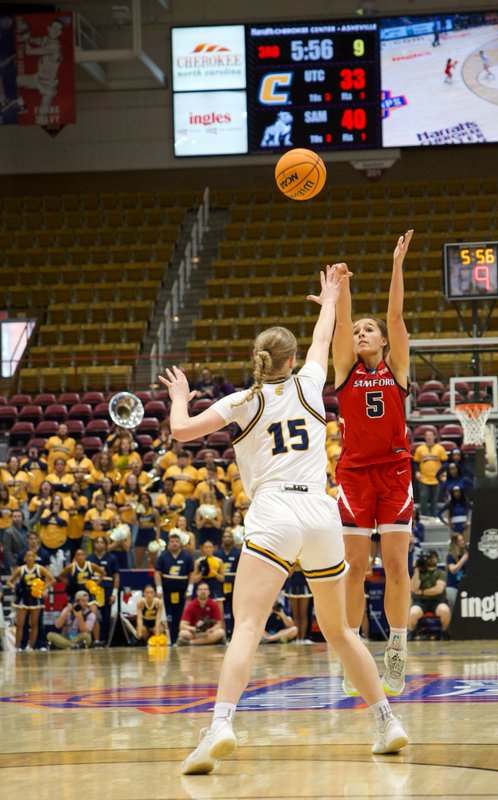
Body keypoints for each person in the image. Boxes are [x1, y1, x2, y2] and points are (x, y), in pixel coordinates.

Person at [160, 263, 407, 774]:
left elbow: (181, 432)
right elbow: (323, 338)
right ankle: (387, 720)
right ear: (292, 359)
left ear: (257, 359)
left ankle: (222, 724)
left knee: (247, 625)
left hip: (274, 512)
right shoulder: (310, 382)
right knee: (340, 632)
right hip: (321, 514)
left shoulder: (240, 401)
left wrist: (179, 399)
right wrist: (333, 295)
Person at [331, 231, 418, 697]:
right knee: (355, 568)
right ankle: (354, 655)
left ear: (383, 341)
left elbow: (396, 315)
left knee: (398, 565)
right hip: (354, 476)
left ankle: (397, 652)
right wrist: (342, 286)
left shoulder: (396, 369)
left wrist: (396, 265)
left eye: (370, 330)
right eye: (359, 329)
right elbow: (341, 327)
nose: (362, 332)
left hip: (396, 472)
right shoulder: (345, 370)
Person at [7, 548, 54, 651]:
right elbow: (9, 582)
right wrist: (15, 587)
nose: (30, 558)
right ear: (24, 558)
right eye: (28, 556)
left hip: (35, 597)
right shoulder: (20, 569)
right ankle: (17, 646)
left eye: (32, 556)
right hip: (23, 596)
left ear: (35, 558)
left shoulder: (40, 568)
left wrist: (43, 589)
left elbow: (52, 579)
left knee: (34, 624)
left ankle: (31, 647)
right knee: (20, 624)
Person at [154, 531, 195, 629]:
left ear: (180, 543)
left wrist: (190, 589)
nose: (174, 543)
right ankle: (167, 639)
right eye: (172, 541)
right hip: (166, 592)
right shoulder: (163, 556)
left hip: (181, 592)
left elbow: (191, 573)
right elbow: (157, 573)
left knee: (180, 616)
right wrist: (159, 588)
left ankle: (178, 638)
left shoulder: (187, 557)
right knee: (166, 617)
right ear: (168, 543)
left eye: (177, 541)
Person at [408, 550, 450, 637]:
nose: (431, 559)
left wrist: (422, 592)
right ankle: (411, 634)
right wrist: (416, 570)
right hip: (420, 602)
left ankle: (444, 633)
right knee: (413, 613)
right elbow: (413, 588)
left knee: (445, 611)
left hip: (437, 601)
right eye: (429, 557)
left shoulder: (441, 573)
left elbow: (438, 590)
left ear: (437, 559)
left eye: (433, 557)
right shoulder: (419, 573)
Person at [178, 581, 226, 647]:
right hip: (195, 633)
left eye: (205, 589)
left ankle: (192, 643)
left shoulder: (213, 605)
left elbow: (219, 624)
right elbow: (182, 625)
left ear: (209, 592)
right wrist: (195, 629)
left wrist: (209, 630)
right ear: (197, 592)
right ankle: (208, 642)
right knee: (183, 633)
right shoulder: (191, 605)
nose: (203, 591)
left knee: (221, 632)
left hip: (208, 633)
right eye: (200, 589)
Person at [413, 429, 446, 518]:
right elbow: (415, 463)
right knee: (423, 498)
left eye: (431, 435)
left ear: (434, 437)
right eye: (427, 435)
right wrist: (417, 472)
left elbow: (445, 463)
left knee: (434, 499)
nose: (429, 437)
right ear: (425, 437)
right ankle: (424, 517)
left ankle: (433, 517)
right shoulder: (420, 449)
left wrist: (444, 475)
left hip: (437, 478)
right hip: (424, 478)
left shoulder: (440, 448)